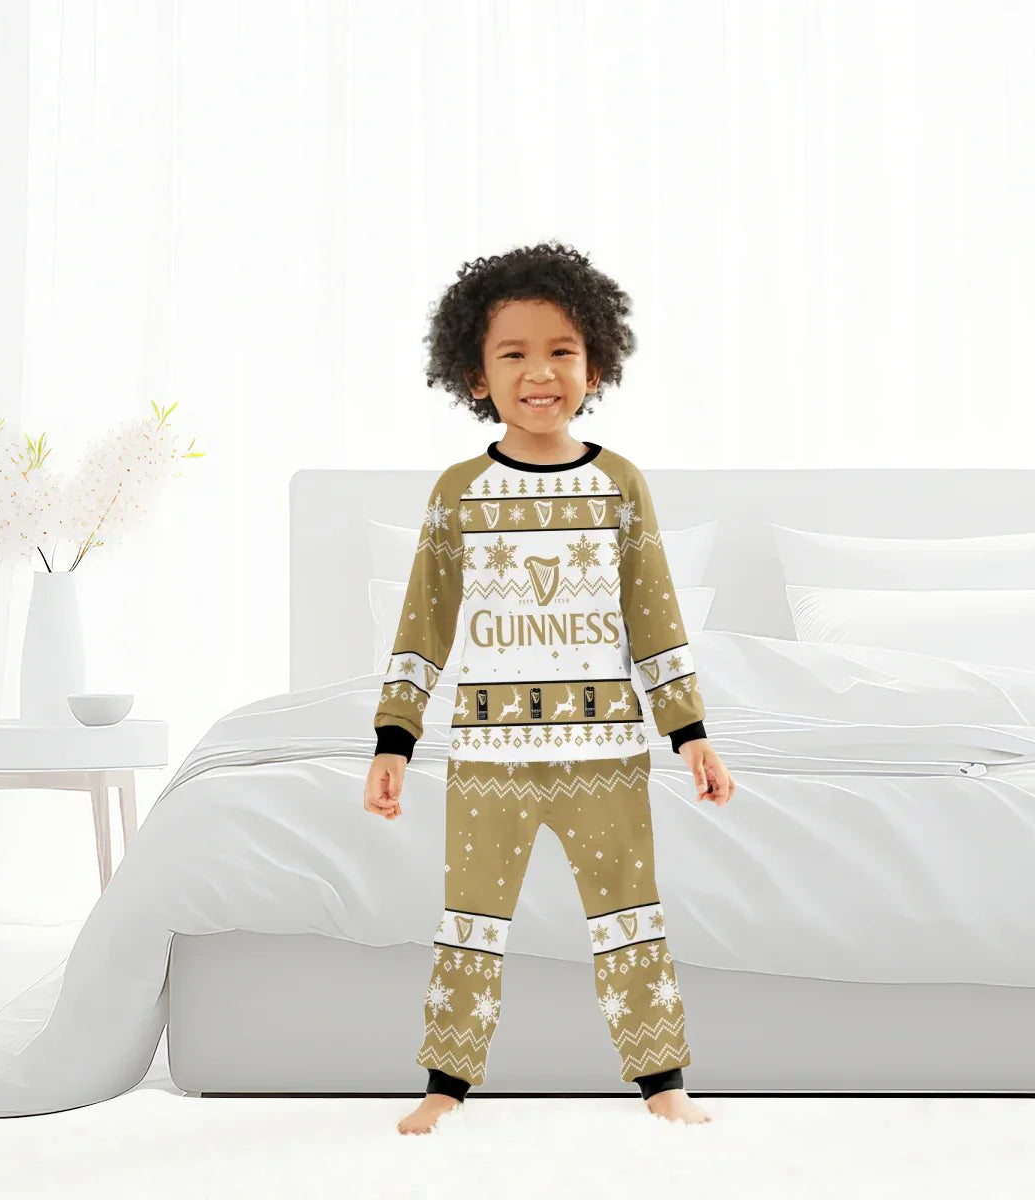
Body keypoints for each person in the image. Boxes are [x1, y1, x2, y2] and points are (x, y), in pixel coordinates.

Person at [363, 241, 735, 1135]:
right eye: (514, 354)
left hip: (604, 753)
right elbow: (424, 621)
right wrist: (393, 739)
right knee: (472, 921)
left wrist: (691, 734)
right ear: (475, 375)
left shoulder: (618, 486)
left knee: (629, 916)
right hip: (490, 759)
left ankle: (663, 1082)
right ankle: (445, 1083)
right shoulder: (460, 492)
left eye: (562, 351)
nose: (540, 372)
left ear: (596, 364)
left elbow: (654, 616)